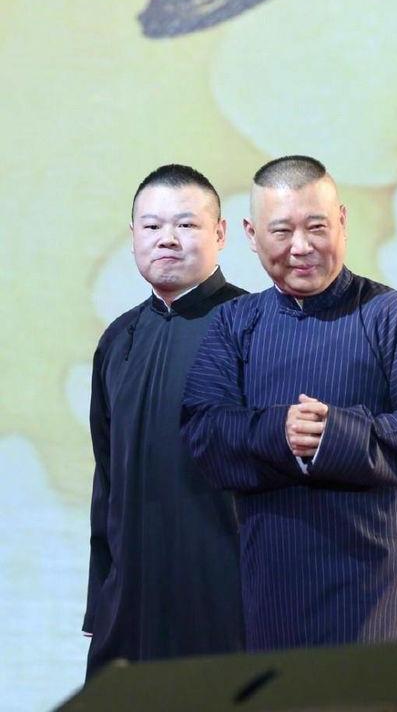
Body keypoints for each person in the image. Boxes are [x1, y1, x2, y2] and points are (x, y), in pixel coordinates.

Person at [181, 155, 397, 652]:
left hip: (372, 588)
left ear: (342, 221)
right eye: (281, 231)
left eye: (316, 227)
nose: (301, 247)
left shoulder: (388, 315)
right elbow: (203, 432)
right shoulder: (234, 324)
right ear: (251, 234)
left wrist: (339, 435)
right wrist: (278, 432)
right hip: (269, 583)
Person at [83, 164, 246, 678]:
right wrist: (100, 602)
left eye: (186, 224)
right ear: (133, 235)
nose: (167, 239)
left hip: (228, 603)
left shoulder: (255, 326)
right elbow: (107, 482)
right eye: (152, 226)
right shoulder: (118, 340)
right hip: (128, 609)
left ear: (220, 232)